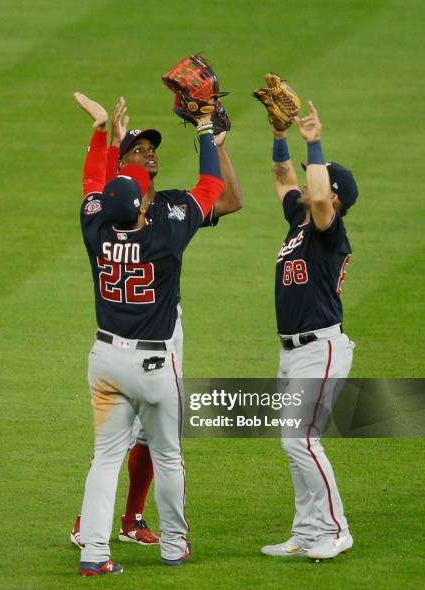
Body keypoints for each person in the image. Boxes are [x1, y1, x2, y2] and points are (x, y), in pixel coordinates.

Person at [70, 94, 242, 550]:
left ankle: (97, 544)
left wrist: (102, 132)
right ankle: (173, 544)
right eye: (138, 149)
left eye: (151, 147)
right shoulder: (170, 225)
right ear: (124, 171)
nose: (149, 152)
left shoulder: (95, 223)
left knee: (105, 457)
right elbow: (210, 185)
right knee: (168, 453)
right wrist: (206, 131)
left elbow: (94, 187)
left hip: (107, 353)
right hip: (154, 354)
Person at [261, 101, 358, 561]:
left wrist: (314, 138)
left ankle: (336, 530)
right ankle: (307, 530)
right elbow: (284, 178)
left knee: (299, 440)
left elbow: (317, 197)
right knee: (295, 443)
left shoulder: (327, 227)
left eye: (315, 171)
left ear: (335, 195)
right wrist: (280, 133)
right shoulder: (299, 223)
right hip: (294, 351)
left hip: (320, 347)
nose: (306, 177)